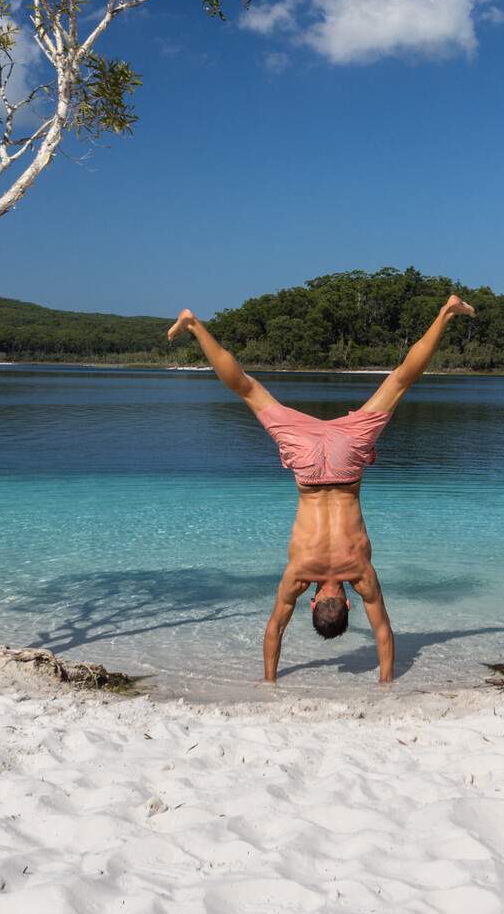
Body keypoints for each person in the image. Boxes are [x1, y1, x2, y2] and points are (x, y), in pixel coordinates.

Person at [166, 294, 475, 686]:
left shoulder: (361, 576)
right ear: (314, 602)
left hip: (347, 461)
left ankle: (446, 314)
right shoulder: (298, 576)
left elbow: (383, 635)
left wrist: (385, 682)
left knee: (400, 380)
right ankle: (194, 325)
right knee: (246, 388)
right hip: (308, 463)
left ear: (346, 602)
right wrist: (269, 681)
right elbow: (275, 629)